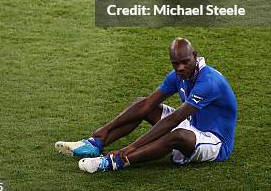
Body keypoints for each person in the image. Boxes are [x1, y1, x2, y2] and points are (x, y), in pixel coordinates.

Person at [55, 37, 237, 173]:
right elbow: (147, 104)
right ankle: (96, 142)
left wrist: (133, 146)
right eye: (175, 64)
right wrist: (104, 129)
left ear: (195, 57)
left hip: (215, 142)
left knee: (177, 135)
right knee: (142, 103)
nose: (180, 67)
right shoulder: (178, 75)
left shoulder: (209, 82)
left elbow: (175, 119)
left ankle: (114, 162)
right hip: (194, 126)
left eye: (185, 62)